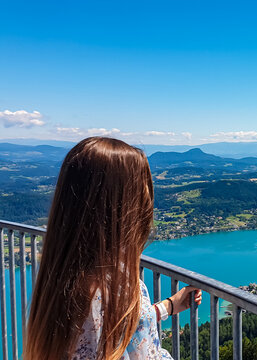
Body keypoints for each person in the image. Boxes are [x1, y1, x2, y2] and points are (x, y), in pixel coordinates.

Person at [24, 137, 202, 360]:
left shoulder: (64, 280)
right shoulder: (109, 291)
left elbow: (124, 327)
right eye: (142, 193)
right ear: (122, 208)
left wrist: (168, 307)